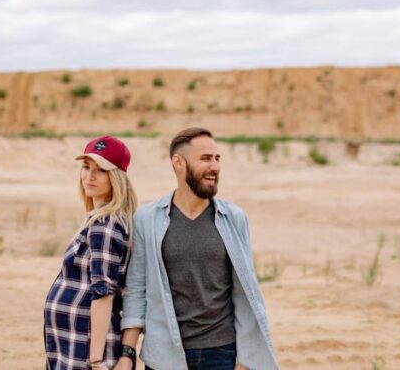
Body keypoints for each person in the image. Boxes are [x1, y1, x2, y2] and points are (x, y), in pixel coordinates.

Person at [115, 127, 279, 370]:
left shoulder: (233, 218)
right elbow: (137, 289)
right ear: (178, 163)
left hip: (221, 353)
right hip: (163, 355)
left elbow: (245, 290)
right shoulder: (146, 220)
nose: (214, 167)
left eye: (217, 158)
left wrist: (245, 362)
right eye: (205, 159)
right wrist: (127, 354)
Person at [45, 135, 139, 370]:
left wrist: (96, 360)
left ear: (116, 177)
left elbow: (103, 292)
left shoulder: (105, 224)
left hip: (86, 349)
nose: (90, 176)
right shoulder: (98, 219)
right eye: (86, 167)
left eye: (101, 170)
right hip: (72, 345)